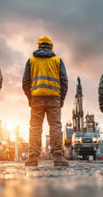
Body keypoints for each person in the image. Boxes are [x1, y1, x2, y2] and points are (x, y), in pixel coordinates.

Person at [22, 35, 69, 166]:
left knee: (35, 127)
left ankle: (33, 157)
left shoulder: (31, 61)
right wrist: (61, 99)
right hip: (54, 98)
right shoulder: (57, 61)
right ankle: (58, 157)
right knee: (55, 126)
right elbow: (64, 81)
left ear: (38, 46)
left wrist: (30, 98)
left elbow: (25, 82)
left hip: (36, 98)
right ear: (51, 47)